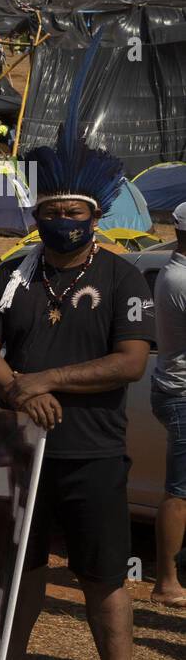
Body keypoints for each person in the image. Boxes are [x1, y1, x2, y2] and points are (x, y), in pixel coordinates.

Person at [0, 131, 153, 660]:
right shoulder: (13, 275)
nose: (61, 221)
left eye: (72, 213)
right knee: (23, 565)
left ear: (94, 217)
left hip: (92, 452)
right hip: (25, 449)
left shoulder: (124, 278)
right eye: (50, 212)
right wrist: (17, 390)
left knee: (101, 574)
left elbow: (129, 362)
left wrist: (44, 381)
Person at [149, 202, 186, 609]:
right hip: (181, 396)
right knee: (180, 491)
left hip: (173, 390)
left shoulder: (171, 270)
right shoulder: (180, 279)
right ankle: (166, 581)